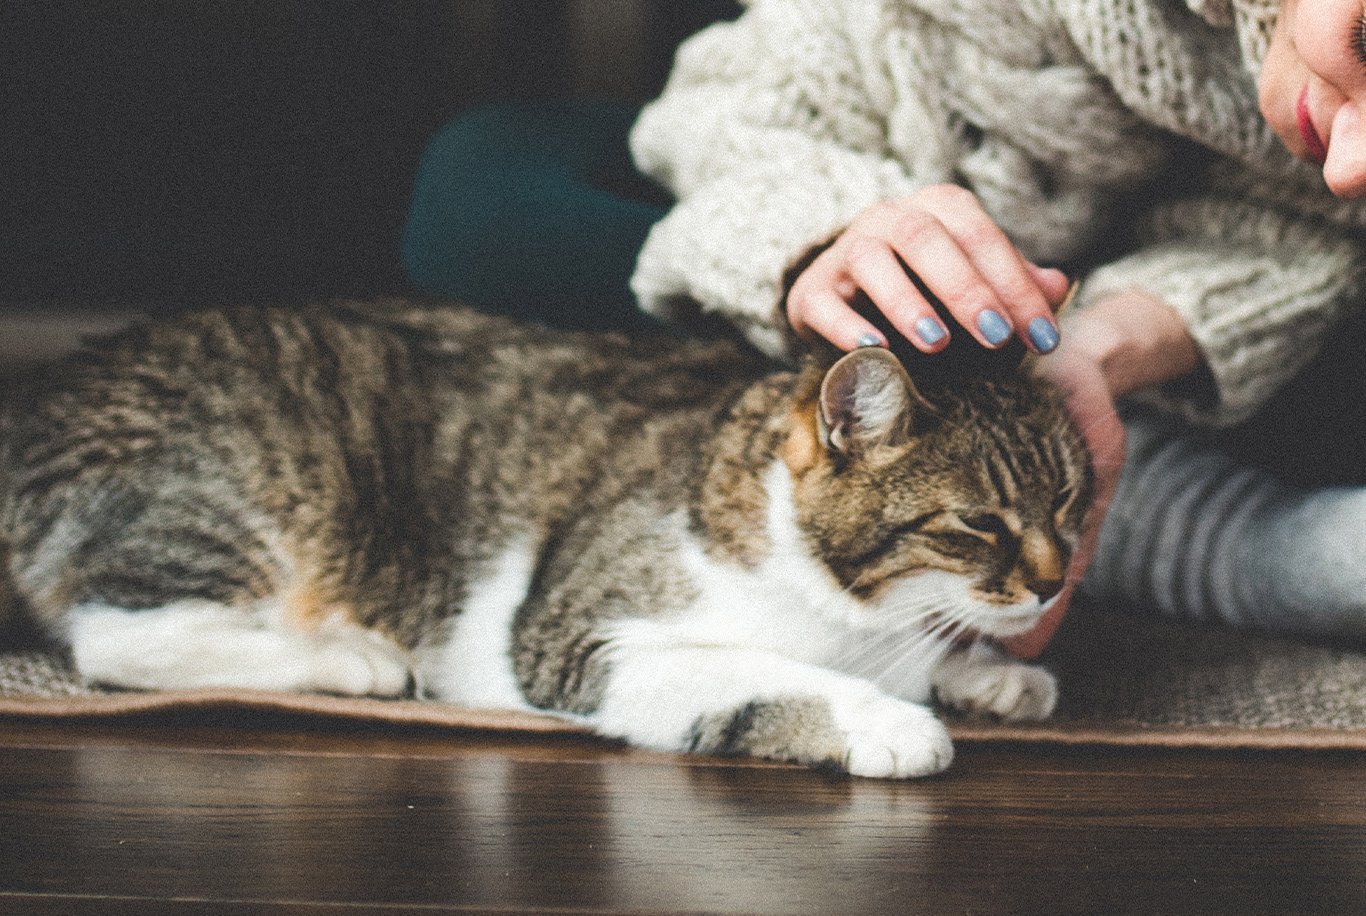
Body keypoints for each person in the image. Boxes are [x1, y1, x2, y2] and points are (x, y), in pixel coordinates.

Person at [404, 0, 1366, 654]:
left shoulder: (1341, 142)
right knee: (480, 189)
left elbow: (1305, 228)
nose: (1353, 161)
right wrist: (823, 231)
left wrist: (1104, 349)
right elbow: (739, 95)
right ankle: (1211, 535)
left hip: (1107, 318)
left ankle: (1030, 483)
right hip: (860, 244)